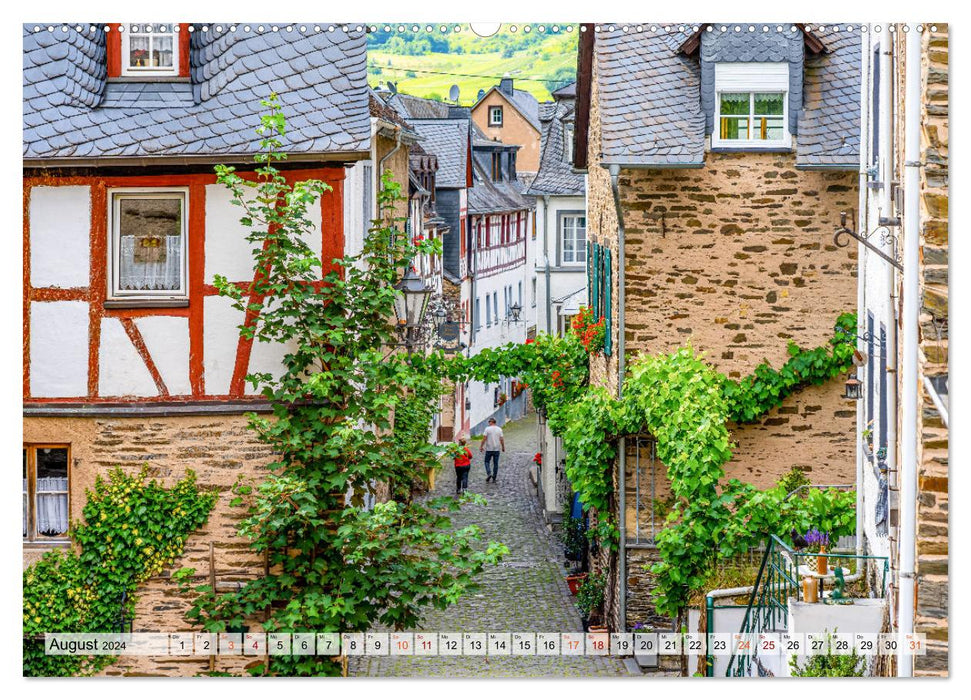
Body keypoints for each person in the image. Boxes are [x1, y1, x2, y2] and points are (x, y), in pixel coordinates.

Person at [479, 418, 505, 483]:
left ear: (491, 422)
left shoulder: (487, 429)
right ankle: (494, 477)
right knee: (495, 463)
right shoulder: (499, 429)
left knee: (486, 462)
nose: (489, 423)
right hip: (497, 449)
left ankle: (489, 473)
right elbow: (501, 439)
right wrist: (503, 447)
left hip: (489, 449)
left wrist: (481, 446)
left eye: (489, 422)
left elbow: (484, 438)